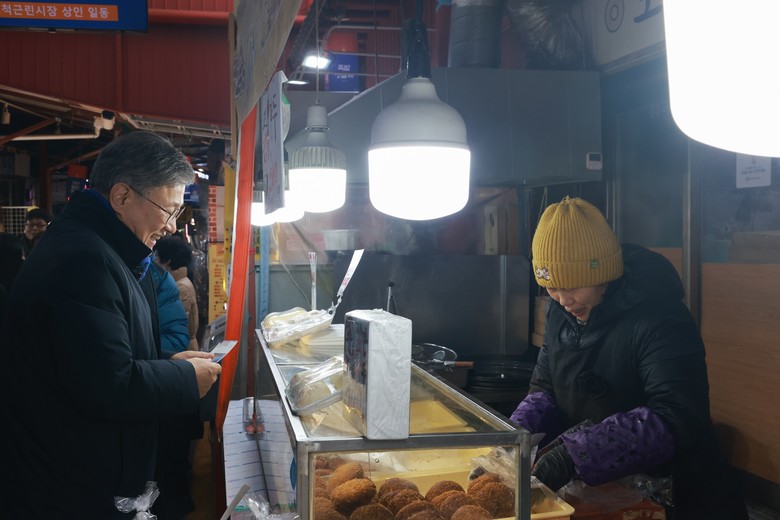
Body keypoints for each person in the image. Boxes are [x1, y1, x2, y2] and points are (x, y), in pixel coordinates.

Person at [0, 131, 222, 519]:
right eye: (169, 211)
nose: (172, 227)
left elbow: (96, 354)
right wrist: (185, 379)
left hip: (82, 477)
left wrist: (168, 362)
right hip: (68, 490)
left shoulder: (104, 252)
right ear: (121, 197)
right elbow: (107, 384)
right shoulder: (83, 260)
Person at [511, 196, 747, 519]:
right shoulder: (559, 313)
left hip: (680, 498)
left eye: (574, 285)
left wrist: (575, 454)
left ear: (603, 271)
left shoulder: (659, 315)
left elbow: (678, 417)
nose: (564, 299)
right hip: (607, 496)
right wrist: (513, 439)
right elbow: (545, 388)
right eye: (552, 287)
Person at [155, 234, 200, 351]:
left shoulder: (180, 287)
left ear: (167, 261)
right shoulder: (181, 282)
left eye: (157, 256)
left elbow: (177, 325)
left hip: (182, 350)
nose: (155, 261)